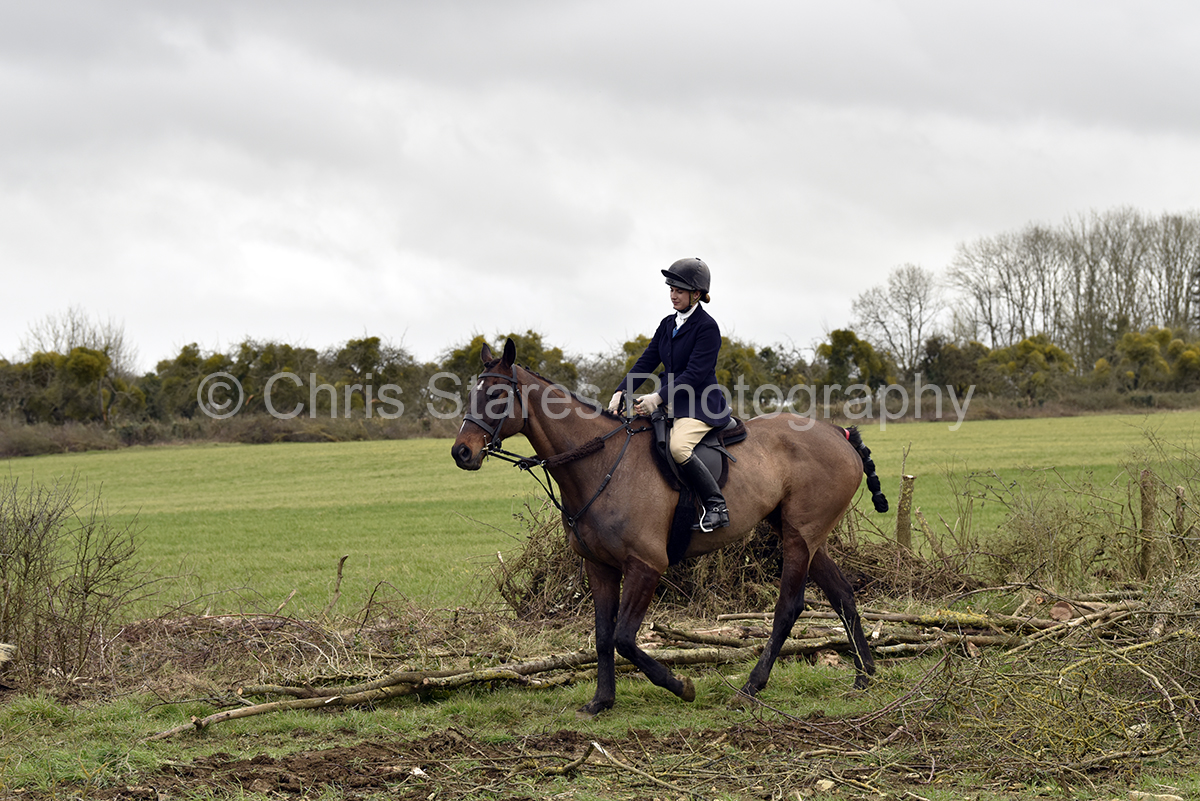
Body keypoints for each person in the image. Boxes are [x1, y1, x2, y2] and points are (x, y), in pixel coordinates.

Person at [608, 257, 731, 532]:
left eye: (679, 291)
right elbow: (646, 361)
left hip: (699, 404)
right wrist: (621, 391)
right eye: (671, 289)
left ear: (696, 294)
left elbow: (695, 374)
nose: (673, 295)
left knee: (678, 447)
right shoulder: (667, 324)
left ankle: (716, 506)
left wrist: (657, 398)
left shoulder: (707, 327)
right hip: (670, 401)